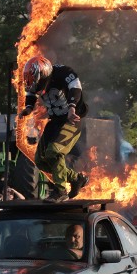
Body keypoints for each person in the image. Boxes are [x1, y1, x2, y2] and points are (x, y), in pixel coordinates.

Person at [19, 55, 89, 202]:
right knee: (40, 160)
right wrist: (29, 107)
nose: (35, 87)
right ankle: (76, 179)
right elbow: (30, 92)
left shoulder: (63, 73)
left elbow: (75, 88)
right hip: (55, 121)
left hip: (72, 119)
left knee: (54, 151)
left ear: (44, 74)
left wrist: (72, 107)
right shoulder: (33, 83)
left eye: (37, 83)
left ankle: (60, 190)